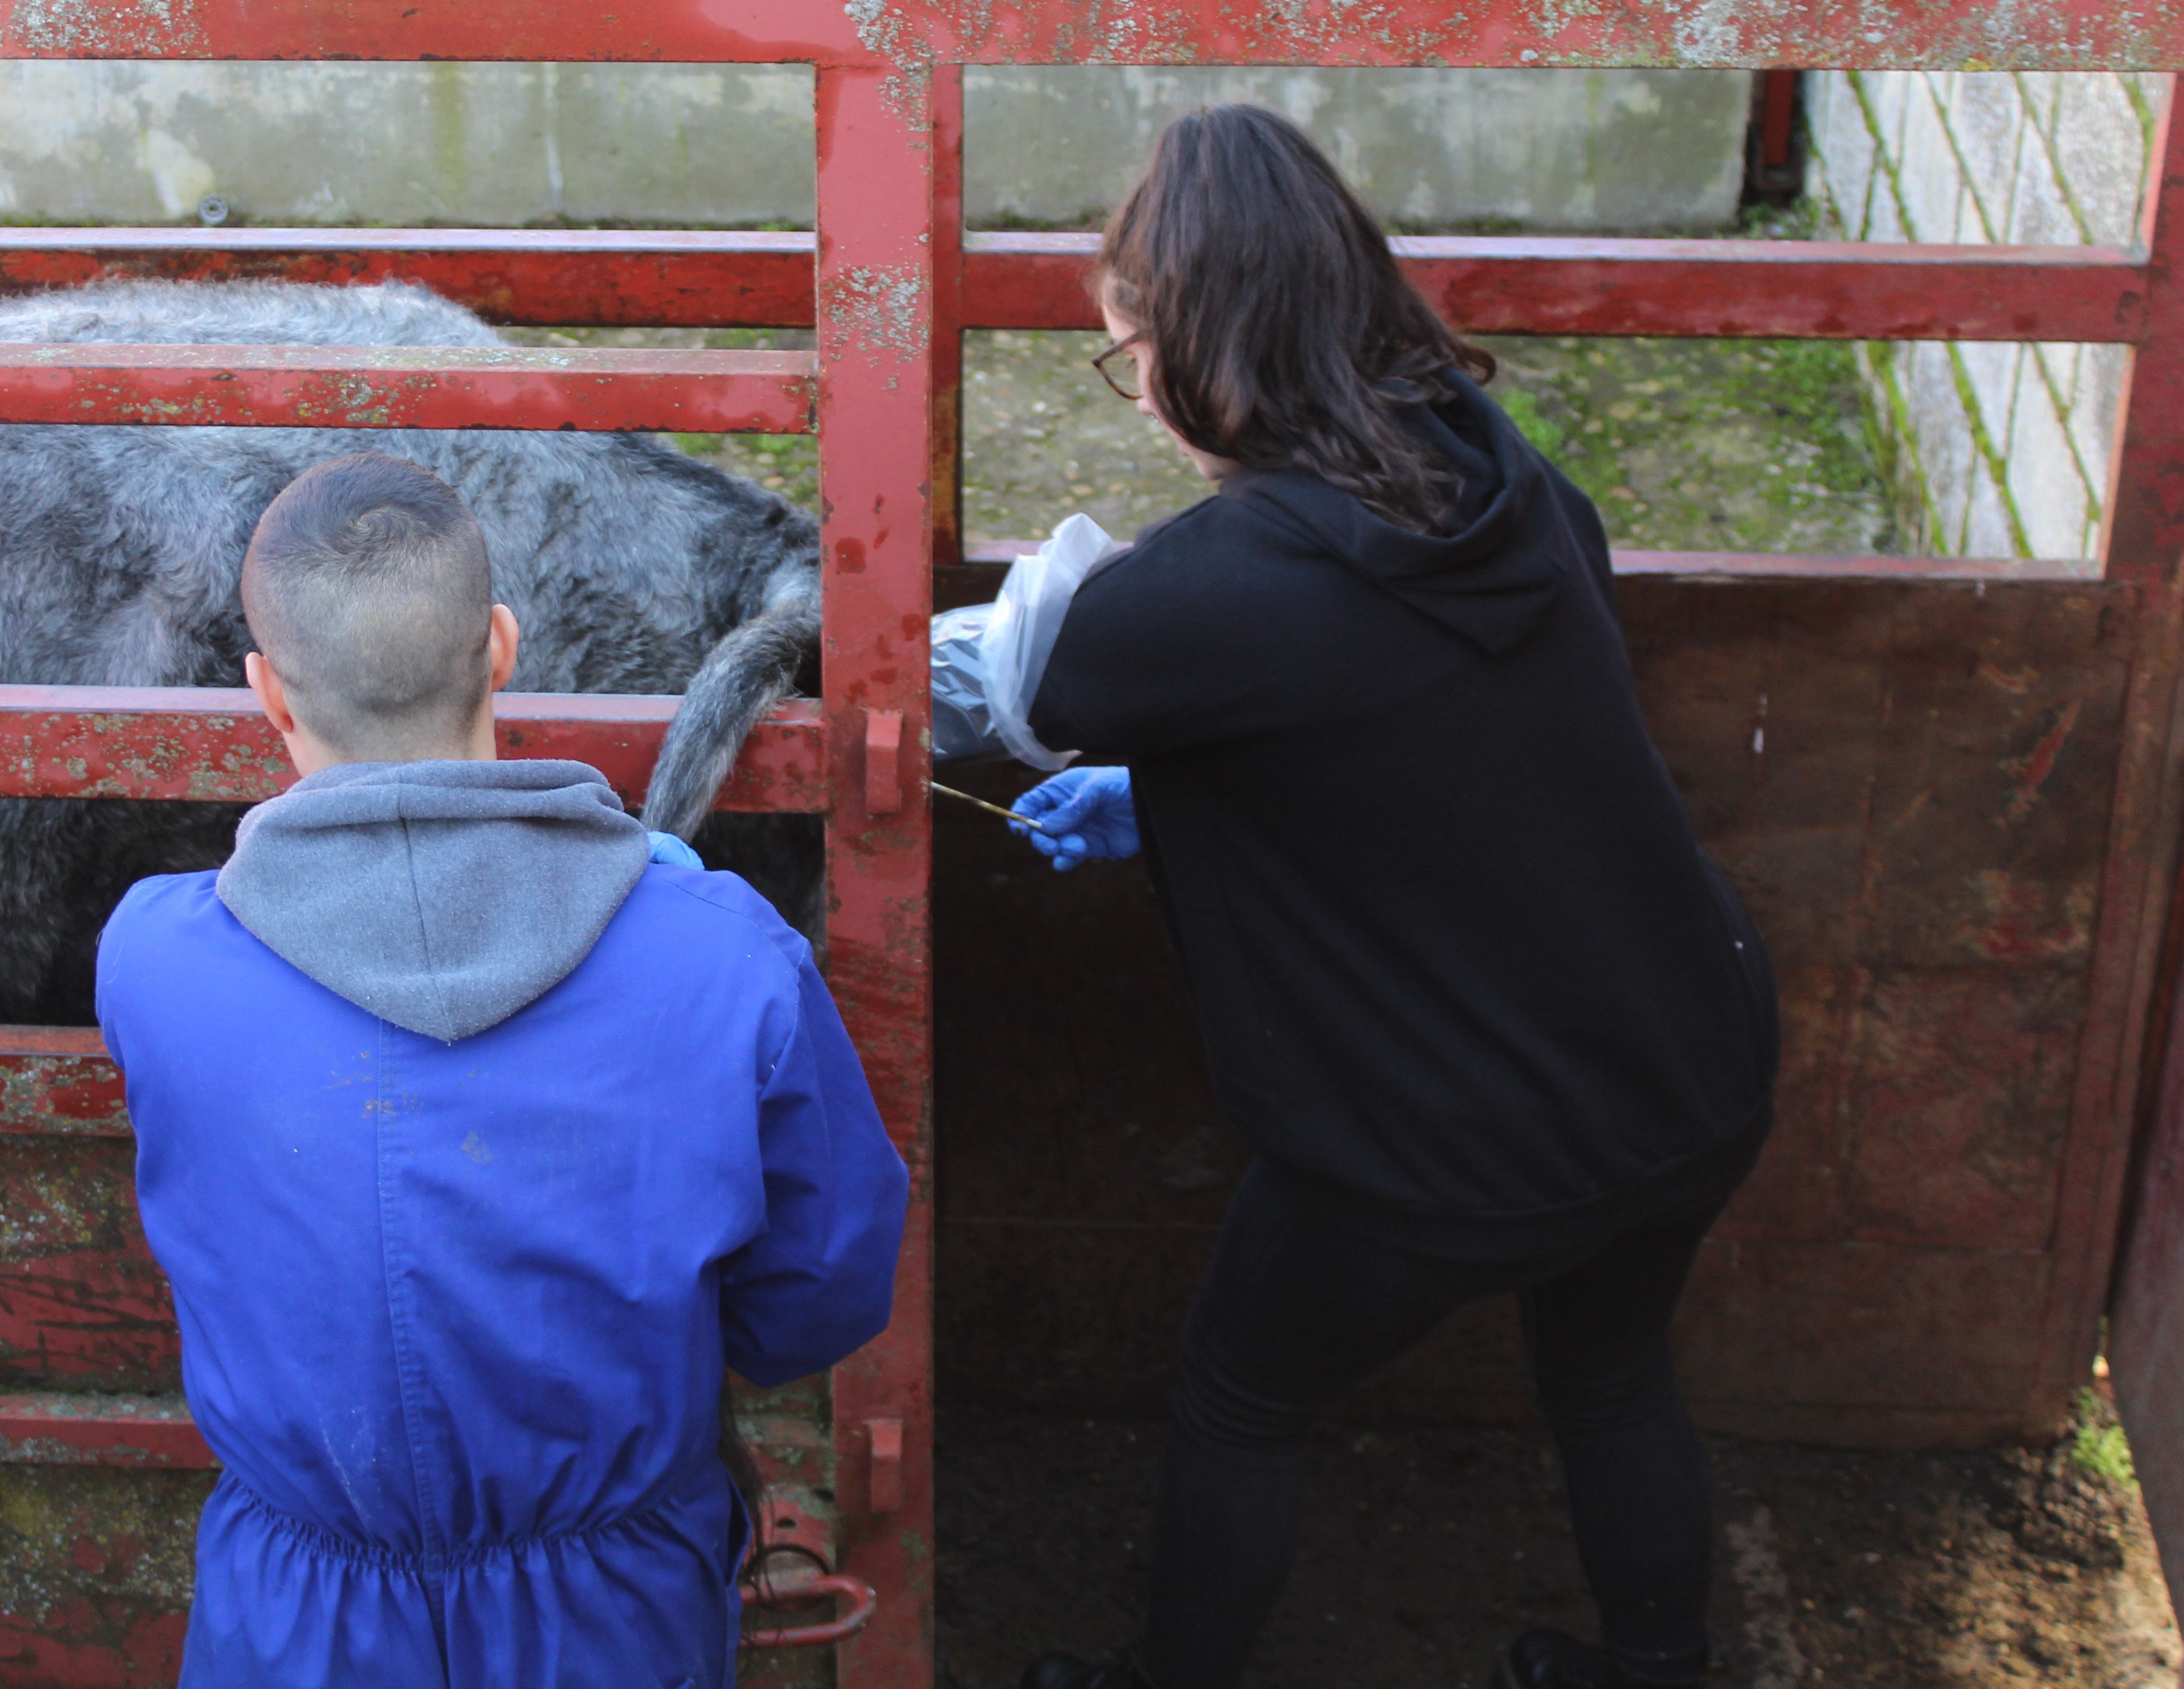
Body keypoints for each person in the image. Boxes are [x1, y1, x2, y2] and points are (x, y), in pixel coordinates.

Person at [1003, 109, 1779, 1689]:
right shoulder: (1506, 479)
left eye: (1129, 351)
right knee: (1616, 1368)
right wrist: (1167, 810)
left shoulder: (1216, 589)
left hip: (1450, 1147)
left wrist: (1136, 769)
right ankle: (1654, 1670)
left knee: (1242, 1386)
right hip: (1692, 1054)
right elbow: (1405, 743)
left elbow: (1062, 673)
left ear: (1203, 350)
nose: (1134, 391)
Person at [96, 451, 909, 1688]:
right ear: (504, 647)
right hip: (619, 1613)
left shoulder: (152, 960)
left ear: (266, 693)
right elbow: (826, 1290)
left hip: (297, 1622)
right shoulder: (722, 953)